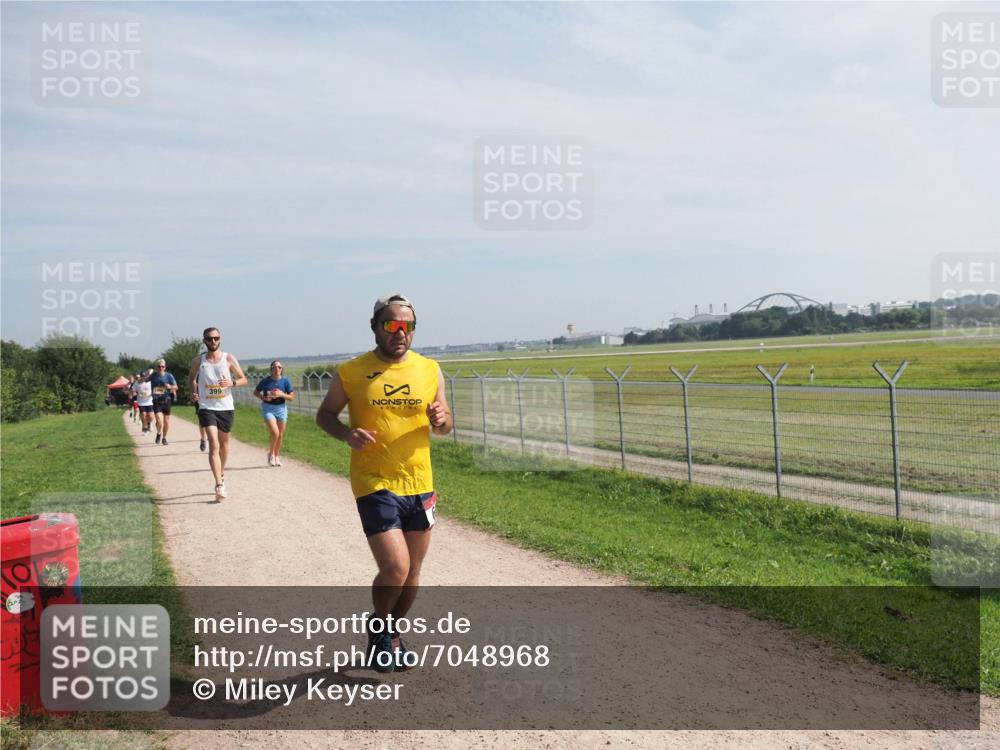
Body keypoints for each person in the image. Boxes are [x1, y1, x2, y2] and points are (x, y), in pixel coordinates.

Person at [316, 294, 453, 672]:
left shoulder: (430, 369)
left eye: (407, 326)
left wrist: (442, 419)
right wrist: (346, 434)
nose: (400, 332)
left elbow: (445, 425)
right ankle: (379, 628)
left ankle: (390, 634)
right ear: (375, 326)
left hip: (420, 481)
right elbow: (325, 415)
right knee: (395, 567)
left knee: (412, 574)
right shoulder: (352, 371)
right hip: (374, 481)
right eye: (391, 325)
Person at [188, 327, 247, 502]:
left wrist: (232, 382)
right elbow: (191, 379)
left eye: (216, 338)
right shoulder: (198, 361)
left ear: (220, 339)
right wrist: (193, 392)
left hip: (225, 407)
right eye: (209, 338)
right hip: (206, 406)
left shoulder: (228, 358)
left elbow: (244, 379)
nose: (213, 341)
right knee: (213, 444)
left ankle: (221, 472)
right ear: (204, 341)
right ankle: (219, 485)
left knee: (224, 444)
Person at [254, 360, 295, 466]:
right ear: (271, 369)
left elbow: (291, 397)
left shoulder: (285, 381)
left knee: (280, 435)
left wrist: (281, 394)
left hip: (281, 409)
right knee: (275, 432)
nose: (277, 369)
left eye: (279, 367)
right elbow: (255, 392)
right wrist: (263, 397)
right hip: (268, 408)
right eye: (274, 367)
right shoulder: (265, 381)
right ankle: (271, 454)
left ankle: (276, 456)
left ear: (282, 369)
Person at [149, 359, 178, 446]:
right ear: (157, 367)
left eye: (162, 366)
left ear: (165, 367)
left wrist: (170, 386)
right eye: (159, 366)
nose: (161, 368)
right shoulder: (153, 376)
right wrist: (147, 374)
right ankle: (159, 433)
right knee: (159, 420)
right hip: (156, 400)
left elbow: (176, 387)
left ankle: (164, 438)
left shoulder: (169, 376)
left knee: (166, 422)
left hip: (166, 400)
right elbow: (142, 380)